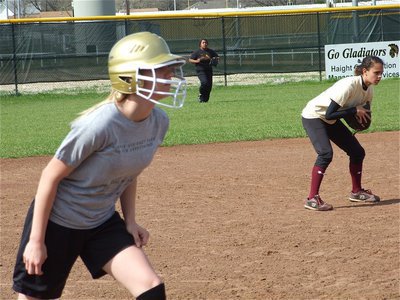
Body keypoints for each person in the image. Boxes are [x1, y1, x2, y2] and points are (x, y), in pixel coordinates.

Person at [12, 31, 187, 300]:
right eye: (161, 70)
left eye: (169, 70)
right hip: (58, 223)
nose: (170, 77)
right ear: (131, 77)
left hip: (100, 221)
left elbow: (129, 172)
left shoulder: (158, 122)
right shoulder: (100, 124)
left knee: (150, 287)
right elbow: (49, 176)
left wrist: (130, 221)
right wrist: (37, 241)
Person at [301, 56, 384, 211]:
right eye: (376, 72)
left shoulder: (369, 90)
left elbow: (358, 115)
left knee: (357, 152)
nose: (379, 76)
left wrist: (358, 119)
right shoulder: (349, 86)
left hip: (330, 119)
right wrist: (353, 110)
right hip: (314, 116)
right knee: (325, 154)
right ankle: (312, 198)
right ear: (365, 71)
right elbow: (329, 114)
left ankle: (357, 191)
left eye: (381, 73)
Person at [189, 38, 219, 103]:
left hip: (209, 70)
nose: (205, 44)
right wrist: (197, 61)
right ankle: (201, 94)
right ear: (200, 44)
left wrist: (213, 59)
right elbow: (190, 59)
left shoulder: (210, 51)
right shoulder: (197, 52)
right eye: (203, 42)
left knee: (209, 85)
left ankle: (204, 99)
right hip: (200, 70)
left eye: (206, 42)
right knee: (204, 82)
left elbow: (217, 57)